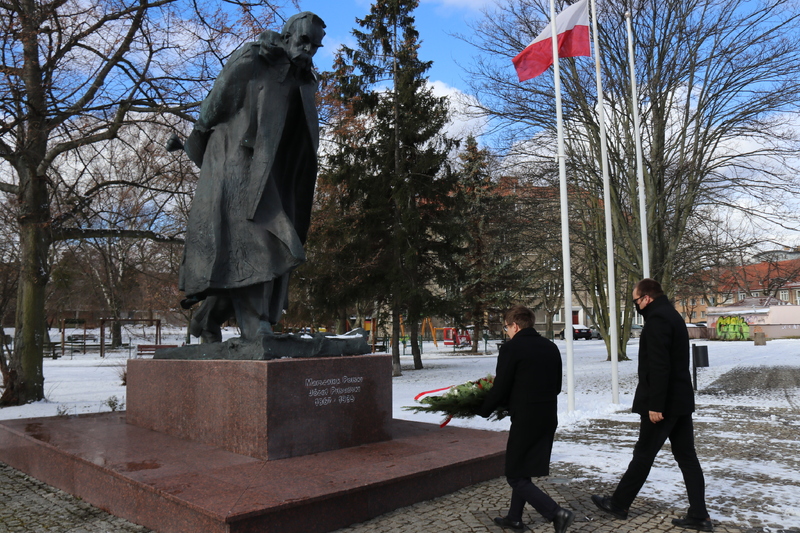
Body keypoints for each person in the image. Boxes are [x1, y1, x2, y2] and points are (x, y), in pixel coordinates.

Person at [178, 12, 326, 343]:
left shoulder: (305, 80)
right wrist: (199, 145)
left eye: (315, 46)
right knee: (260, 241)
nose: (308, 50)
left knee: (267, 247)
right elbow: (215, 104)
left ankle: (207, 319)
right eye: (303, 41)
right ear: (286, 37)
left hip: (276, 174)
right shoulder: (254, 59)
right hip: (236, 165)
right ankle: (255, 323)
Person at [592, 278, 713, 532]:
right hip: (680, 400)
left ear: (647, 298)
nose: (636, 305)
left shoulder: (658, 320)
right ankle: (699, 514)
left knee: (644, 453)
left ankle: (619, 504)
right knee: (687, 457)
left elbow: (659, 366)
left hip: (664, 403)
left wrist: (656, 405)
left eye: (636, 301)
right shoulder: (672, 315)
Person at [477, 305, 574, 533]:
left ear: (515, 326)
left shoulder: (511, 348)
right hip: (548, 416)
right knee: (523, 469)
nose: (507, 332)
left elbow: (501, 386)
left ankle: (556, 513)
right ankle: (514, 518)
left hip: (526, 418)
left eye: (507, 328)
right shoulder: (550, 347)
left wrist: (483, 409)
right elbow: (557, 386)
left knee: (514, 475)